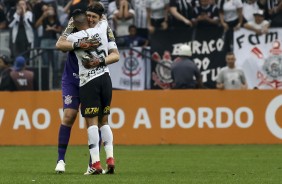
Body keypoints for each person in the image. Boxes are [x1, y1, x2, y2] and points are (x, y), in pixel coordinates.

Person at [55, 2, 118, 175]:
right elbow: (60, 45)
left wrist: (100, 61)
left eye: (94, 17)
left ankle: (93, 163)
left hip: (91, 78)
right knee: (69, 115)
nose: (90, 19)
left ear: (99, 18)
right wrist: (78, 45)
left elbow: (115, 54)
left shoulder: (105, 28)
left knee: (95, 121)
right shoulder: (76, 24)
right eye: (88, 16)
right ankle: (61, 160)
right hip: (72, 79)